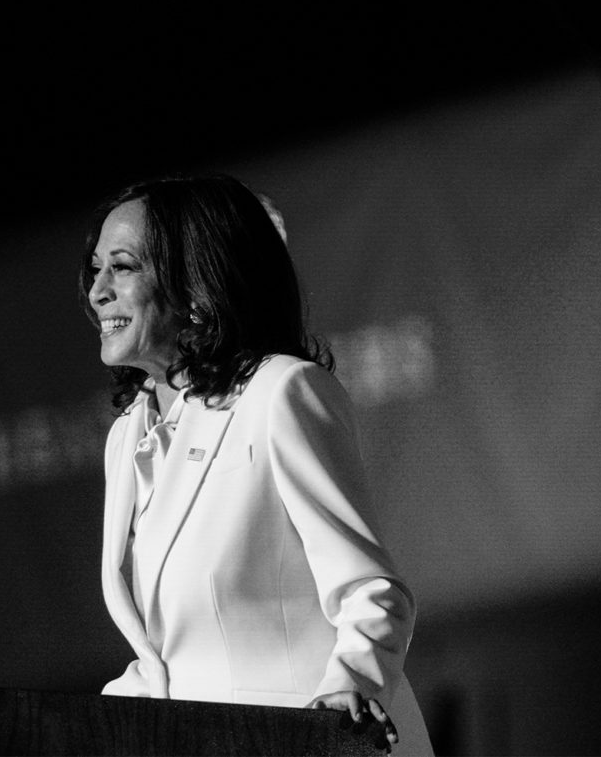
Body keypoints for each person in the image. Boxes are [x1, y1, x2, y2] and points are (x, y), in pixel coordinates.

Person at [79, 172, 431, 755]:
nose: (97, 291)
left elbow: (374, 592)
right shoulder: (127, 440)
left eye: (122, 266)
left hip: (310, 738)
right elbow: (167, 660)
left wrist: (351, 687)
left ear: (195, 286)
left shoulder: (280, 393)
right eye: (96, 269)